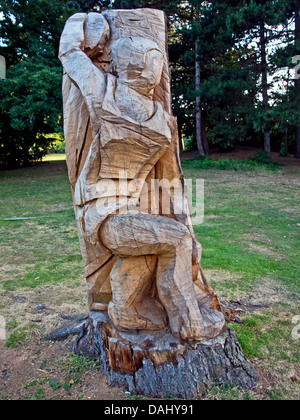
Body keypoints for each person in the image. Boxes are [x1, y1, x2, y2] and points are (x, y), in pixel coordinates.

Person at [59, 13, 225, 341]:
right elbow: (172, 183)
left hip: (118, 213)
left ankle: (125, 307)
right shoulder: (155, 118)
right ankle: (188, 321)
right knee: (174, 239)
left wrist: (80, 21)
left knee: (163, 239)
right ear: (152, 69)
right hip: (107, 217)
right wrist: (185, 233)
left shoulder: (107, 92)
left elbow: (70, 53)